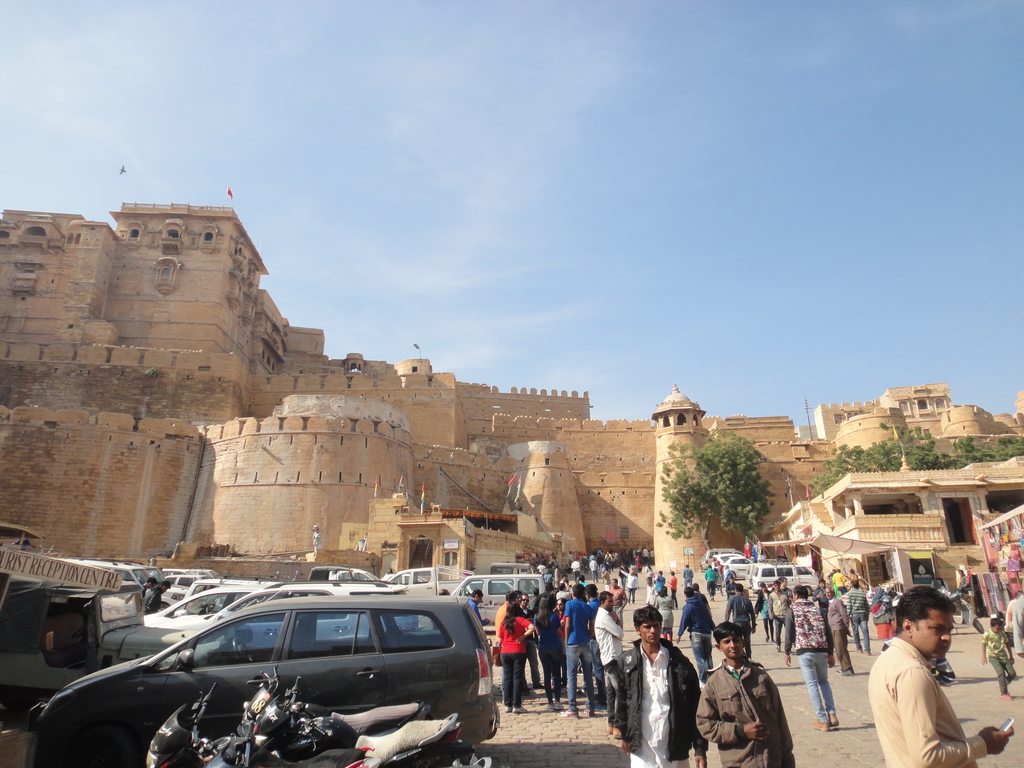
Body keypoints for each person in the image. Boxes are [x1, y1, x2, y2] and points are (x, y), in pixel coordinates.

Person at [868, 585, 1013, 767]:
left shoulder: (888, 660)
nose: (947, 638)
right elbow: (927, 757)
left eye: (949, 630)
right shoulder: (912, 673)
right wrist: (983, 744)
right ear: (908, 626)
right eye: (938, 629)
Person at [616, 605, 709, 768]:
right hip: (642, 742)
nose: (652, 631)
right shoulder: (627, 662)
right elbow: (622, 700)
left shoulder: (679, 663)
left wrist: (700, 748)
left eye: (656, 626)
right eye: (647, 627)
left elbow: (695, 705)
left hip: (674, 741)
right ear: (638, 630)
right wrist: (624, 733)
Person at [697, 621, 794, 768]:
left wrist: (787, 759)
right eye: (726, 642)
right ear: (718, 647)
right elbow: (705, 724)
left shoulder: (762, 677)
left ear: (743, 642)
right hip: (739, 760)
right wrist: (740, 731)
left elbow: (780, 721)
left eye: (736, 640)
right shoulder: (714, 683)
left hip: (770, 758)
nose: (732, 645)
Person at [784, 584, 838, 731]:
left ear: (795, 595)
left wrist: (787, 651)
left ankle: (822, 719)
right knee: (824, 682)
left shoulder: (793, 609)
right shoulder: (816, 609)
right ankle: (832, 713)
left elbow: (789, 632)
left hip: (805, 650)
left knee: (812, 684)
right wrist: (831, 652)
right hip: (822, 650)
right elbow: (827, 631)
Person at [498, 594, 537, 714]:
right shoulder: (520, 620)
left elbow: (500, 639)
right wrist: (523, 636)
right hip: (518, 651)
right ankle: (516, 704)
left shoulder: (504, 623)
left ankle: (507, 704)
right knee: (517, 678)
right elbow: (532, 627)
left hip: (505, 651)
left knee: (508, 678)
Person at [562, 583, 598, 718]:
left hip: (573, 641)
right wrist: (590, 633)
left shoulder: (570, 605)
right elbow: (592, 624)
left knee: (571, 675)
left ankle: (573, 708)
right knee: (588, 675)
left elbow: (567, 624)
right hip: (585, 641)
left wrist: (566, 640)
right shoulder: (587, 606)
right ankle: (591, 707)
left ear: (573, 594)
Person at [595, 590, 625, 737]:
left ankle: (611, 723)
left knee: (612, 693)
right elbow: (620, 633)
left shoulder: (605, 616)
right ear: (602, 602)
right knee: (620, 692)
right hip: (611, 658)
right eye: (609, 601)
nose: (612, 604)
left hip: (611, 656)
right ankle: (618, 725)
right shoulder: (604, 617)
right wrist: (617, 620)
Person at [678, 586, 716, 687]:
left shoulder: (687, 607)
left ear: (685, 596)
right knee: (708, 657)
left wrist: (679, 634)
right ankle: (711, 678)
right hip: (707, 633)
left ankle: (703, 680)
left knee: (700, 659)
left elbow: (684, 621)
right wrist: (714, 630)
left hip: (696, 634)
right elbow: (708, 618)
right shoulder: (702, 605)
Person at [534, 592, 564, 711]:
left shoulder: (537, 616)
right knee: (556, 674)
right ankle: (557, 700)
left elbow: (538, 633)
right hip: (555, 646)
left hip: (543, 647)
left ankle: (549, 702)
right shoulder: (555, 617)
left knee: (546, 674)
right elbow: (557, 631)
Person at [981, 616, 1017, 701]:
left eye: (1001, 629)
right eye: (997, 629)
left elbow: (1007, 644)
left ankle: (1003, 684)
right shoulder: (987, 634)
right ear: (991, 627)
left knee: (1012, 673)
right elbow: (983, 644)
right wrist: (983, 656)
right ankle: (1003, 693)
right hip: (993, 656)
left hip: (1003, 656)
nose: (999, 630)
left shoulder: (1002, 633)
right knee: (1001, 673)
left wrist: (1011, 656)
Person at [724, 584, 755, 660]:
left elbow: (728, 611)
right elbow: (752, 614)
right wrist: (753, 625)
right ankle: (749, 659)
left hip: (737, 623)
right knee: (747, 643)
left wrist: (726, 622)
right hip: (746, 623)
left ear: (736, 590)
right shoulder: (747, 599)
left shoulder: (732, 599)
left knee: (738, 642)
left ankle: (741, 659)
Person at [827, 590, 855, 676]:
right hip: (834, 628)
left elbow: (844, 614)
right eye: (826, 592)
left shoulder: (837, 602)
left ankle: (847, 668)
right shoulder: (831, 602)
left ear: (833, 593)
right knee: (838, 650)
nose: (827, 594)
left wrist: (846, 627)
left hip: (839, 628)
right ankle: (843, 667)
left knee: (841, 649)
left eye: (829, 592)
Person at [846, 579, 871, 655]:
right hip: (863, 614)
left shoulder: (850, 594)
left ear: (852, 586)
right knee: (865, 631)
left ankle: (859, 648)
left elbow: (849, 605)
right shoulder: (862, 593)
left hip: (854, 615)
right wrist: (867, 614)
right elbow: (866, 605)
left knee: (855, 631)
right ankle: (867, 650)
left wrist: (848, 614)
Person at [769, 581, 790, 654]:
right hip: (777, 616)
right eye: (775, 586)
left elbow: (788, 603)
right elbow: (770, 605)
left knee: (788, 632)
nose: (777, 587)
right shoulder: (771, 595)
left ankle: (788, 646)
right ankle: (778, 645)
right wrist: (770, 613)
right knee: (778, 632)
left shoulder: (785, 594)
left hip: (785, 615)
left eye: (778, 585)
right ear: (774, 586)